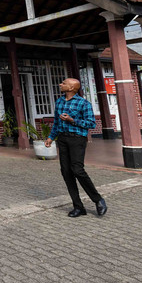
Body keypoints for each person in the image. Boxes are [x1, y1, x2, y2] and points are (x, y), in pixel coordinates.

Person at [45, 77, 107, 218]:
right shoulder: (59, 101)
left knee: (77, 170)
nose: (60, 84)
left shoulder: (83, 103)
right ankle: (78, 207)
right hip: (62, 138)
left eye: (64, 83)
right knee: (66, 172)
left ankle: (98, 200)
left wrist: (72, 120)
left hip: (77, 139)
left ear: (72, 88)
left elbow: (92, 123)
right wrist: (50, 137)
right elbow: (56, 122)